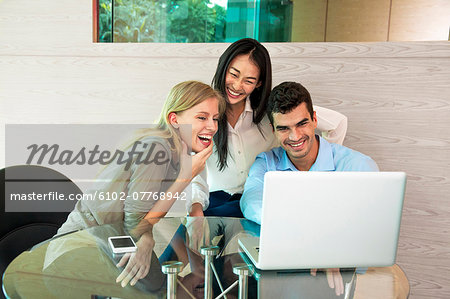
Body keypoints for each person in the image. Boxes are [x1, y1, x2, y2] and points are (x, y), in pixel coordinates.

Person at [56, 80, 225, 288]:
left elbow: (141, 216)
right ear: (174, 119)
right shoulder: (157, 149)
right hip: (83, 245)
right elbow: (136, 224)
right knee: (163, 288)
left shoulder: (175, 153)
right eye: (202, 117)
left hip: (113, 240)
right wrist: (185, 178)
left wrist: (147, 236)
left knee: (168, 285)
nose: (212, 126)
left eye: (215, 119)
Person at [191, 38, 347, 217]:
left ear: (258, 83)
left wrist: (319, 171)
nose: (236, 86)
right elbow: (194, 173)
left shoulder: (272, 112)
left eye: (248, 81)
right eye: (233, 74)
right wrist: (195, 210)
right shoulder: (203, 114)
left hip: (265, 201)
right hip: (215, 204)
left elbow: (338, 123)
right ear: (223, 68)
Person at [240, 81, 378, 225]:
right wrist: (294, 222)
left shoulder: (358, 166)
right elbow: (251, 201)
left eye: (302, 124)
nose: (295, 136)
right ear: (273, 130)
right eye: (284, 128)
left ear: (315, 119)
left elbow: (372, 221)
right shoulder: (266, 164)